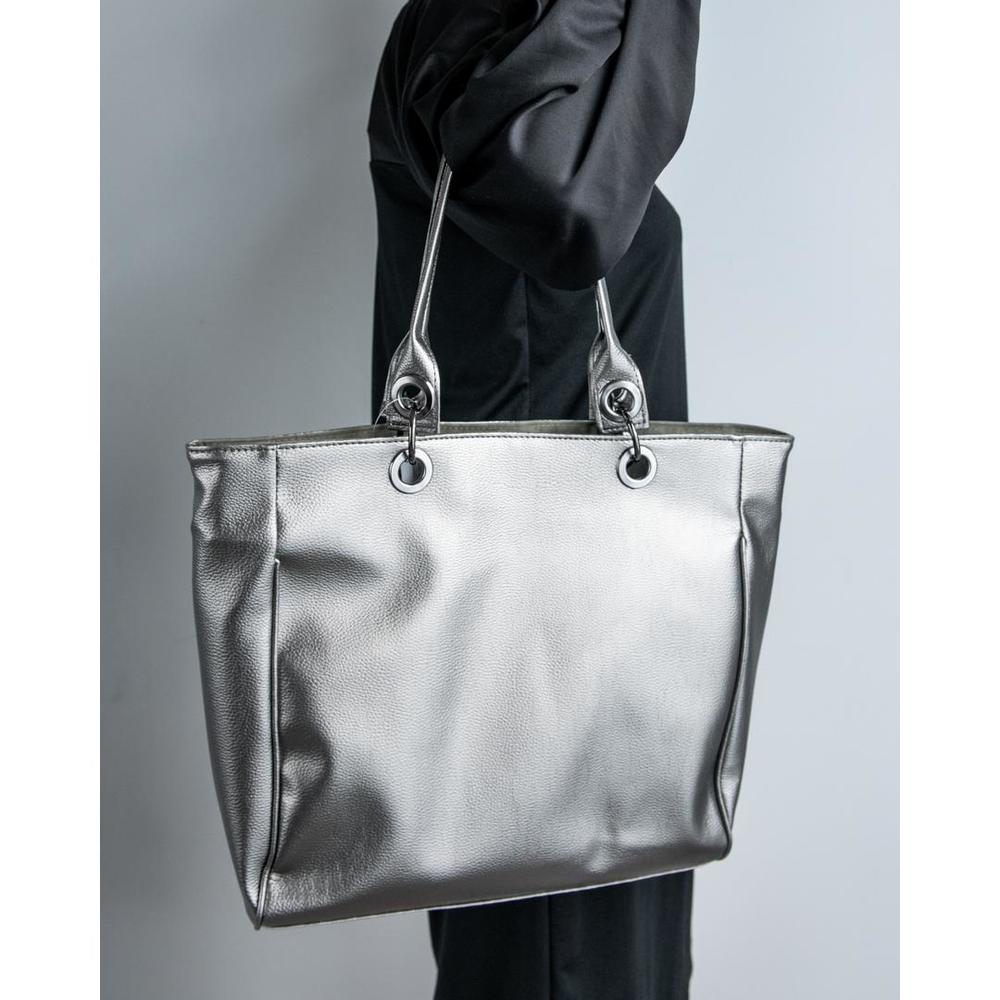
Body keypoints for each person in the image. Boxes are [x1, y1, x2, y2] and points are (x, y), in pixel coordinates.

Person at [367, 2, 701, 997]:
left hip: (586, 603)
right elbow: (573, 208)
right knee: (561, 949)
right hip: (544, 615)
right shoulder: (501, 18)